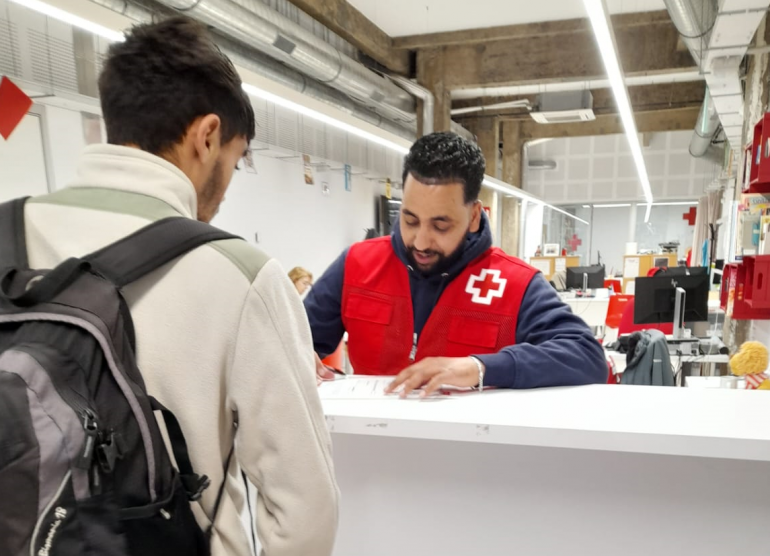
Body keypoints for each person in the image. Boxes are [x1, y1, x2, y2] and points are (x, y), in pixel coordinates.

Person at [21, 17, 338, 556]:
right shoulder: (241, 274)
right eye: (234, 160)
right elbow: (306, 514)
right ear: (207, 136)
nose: (226, 188)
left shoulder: (8, 233)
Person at [305, 131, 607, 396]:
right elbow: (293, 338)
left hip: (468, 443)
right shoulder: (357, 264)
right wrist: (301, 357)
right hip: (367, 438)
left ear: (474, 216)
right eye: (410, 220)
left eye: (440, 226)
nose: (420, 242)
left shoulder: (515, 284)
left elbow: (587, 356)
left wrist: (481, 368)